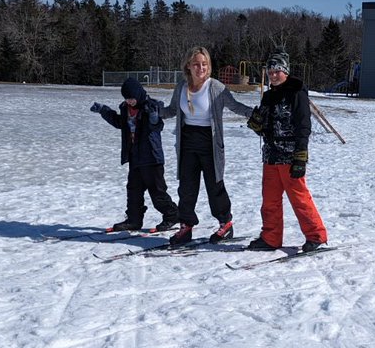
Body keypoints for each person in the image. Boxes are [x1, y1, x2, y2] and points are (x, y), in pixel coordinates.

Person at [159, 46, 253, 245]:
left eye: (204, 64)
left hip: (210, 143)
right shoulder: (181, 87)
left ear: (209, 66)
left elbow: (236, 106)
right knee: (186, 187)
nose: (200, 68)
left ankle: (225, 224)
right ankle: (186, 226)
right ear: (188, 66)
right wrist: (154, 111)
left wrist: (256, 114)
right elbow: (173, 110)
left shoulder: (215, 87)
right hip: (187, 141)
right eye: (196, 64)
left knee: (215, 185)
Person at [246, 51, 328, 253]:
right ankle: (271, 237)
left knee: (300, 199)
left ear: (286, 72)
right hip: (271, 156)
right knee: (270, 201)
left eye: (277, 71)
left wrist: (301, 156)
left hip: (290, 156)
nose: (273, 75)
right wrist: (257, 124)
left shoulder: (296, 92)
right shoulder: (268, 95)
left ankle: (316, 236)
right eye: (271, 72)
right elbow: (266, 126)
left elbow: (303, 126)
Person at [90, 77, 179, 232]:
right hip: (135, 157)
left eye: (131, 98)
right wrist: (104, 110)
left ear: (138, 94)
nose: (129, 101)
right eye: (127, 98)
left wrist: (153, 119)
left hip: (152, 158)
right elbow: (120, 123)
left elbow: (158, 126)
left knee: (157, 192)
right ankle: (134, 220)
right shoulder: (125, 108)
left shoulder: (151, 106)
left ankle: (172, 215)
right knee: (133, 191)